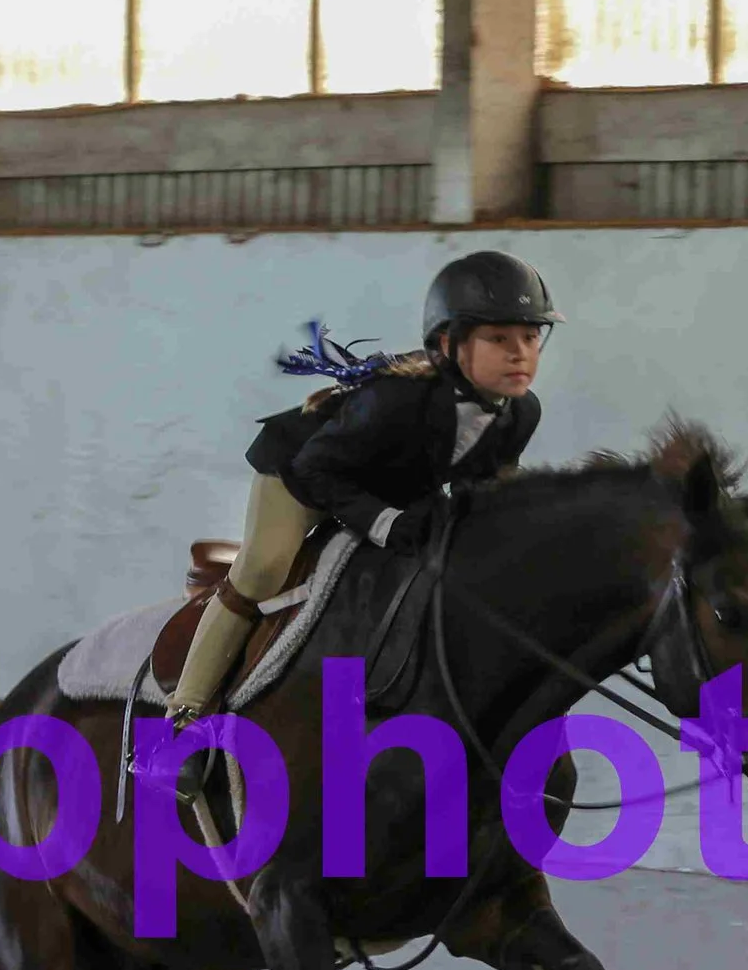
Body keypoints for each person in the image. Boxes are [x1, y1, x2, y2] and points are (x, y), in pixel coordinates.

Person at [161, 250, 563, 737]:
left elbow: (480, 491)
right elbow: (316, 470)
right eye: (499, 338)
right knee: (264, 567)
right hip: (302, 474)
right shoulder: (397, 399)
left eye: (531, 337)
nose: (521, 353)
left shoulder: (522, 412)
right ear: (449, 343)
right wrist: (386, 522)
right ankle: (184, 713)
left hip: (393, 482)